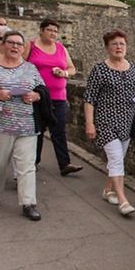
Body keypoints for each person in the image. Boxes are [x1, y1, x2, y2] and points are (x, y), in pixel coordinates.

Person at [0, 29, 46, 221]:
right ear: (3, 44)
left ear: (23, 48)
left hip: (26, 125)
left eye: (19, 44)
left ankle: (28, 203)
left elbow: (42, 89)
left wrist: (35, 96)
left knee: (26, 166)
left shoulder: (30, 68)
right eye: (11, 42)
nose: (15, 46)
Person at [83, 29, 135, 216]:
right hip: (106, 122)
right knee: (116, 159)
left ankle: (108, 190)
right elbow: (89, 98)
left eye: (122, 44)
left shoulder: (133, 69)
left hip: (127, 122)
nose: (119, 47)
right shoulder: (100, 69)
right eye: (114, 44)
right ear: (108, 48)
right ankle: (123, 200)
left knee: (116, 159)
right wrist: (89, 123)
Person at [27, 19, 81, 176]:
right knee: (38, 130)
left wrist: (64, 73)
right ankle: (33, 162)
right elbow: (21, 65)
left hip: (58, 96)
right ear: (41, 30)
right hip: (38, 96)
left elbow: (72, 69)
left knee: (59, 130)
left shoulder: (61, 48)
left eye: (56, 31)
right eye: (50, 30)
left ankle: (65, 164)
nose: (53, 33)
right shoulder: (31, 46)